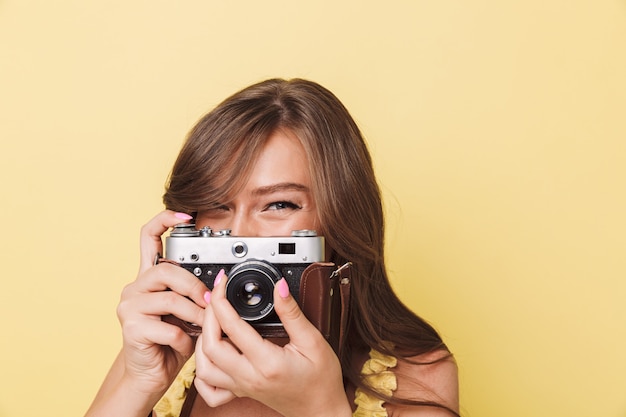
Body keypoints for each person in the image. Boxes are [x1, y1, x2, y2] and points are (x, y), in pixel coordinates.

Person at [86, 78, 459, 417]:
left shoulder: (417, 376)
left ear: (340, 218)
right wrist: (140, 384)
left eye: (279, 204)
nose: (240, 235)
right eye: (217, 206)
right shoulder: (167, 344)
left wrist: (319, 408)